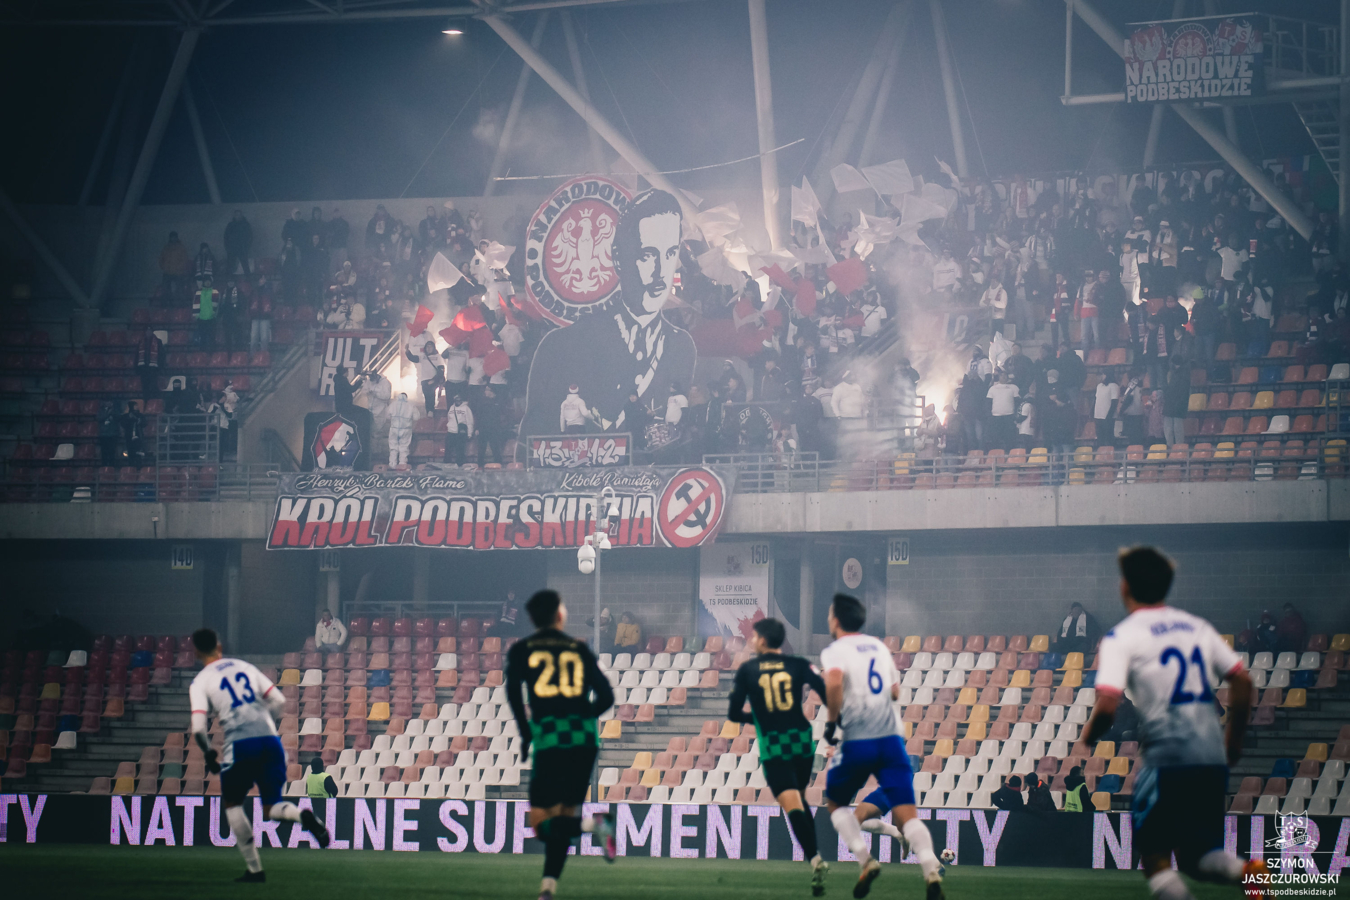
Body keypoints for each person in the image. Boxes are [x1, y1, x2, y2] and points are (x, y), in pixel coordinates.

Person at [1079, 547, 1265, 900]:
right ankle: (1246, 871)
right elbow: (1242, 681)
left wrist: (1088, 736)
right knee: (1198, 858)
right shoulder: (1197, 628)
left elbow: (1106, 705)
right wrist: (1234, 741)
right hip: (1211, 756)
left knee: (1155, 858)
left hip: (1168, 756)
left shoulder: (1122, 636)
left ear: (1124, 587)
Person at [520, 189, 696, 439]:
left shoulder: (681, 346)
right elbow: (533, 444)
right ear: (618, 257)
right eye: (647, 255)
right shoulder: (562, 346)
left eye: (669, 253)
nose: (660, 272)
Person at [820, 593, 944, 900]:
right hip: (891, 740)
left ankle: (866, 861)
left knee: (835, 804)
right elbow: (895, 692)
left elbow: (833, 684)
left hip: (859, 739)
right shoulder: (878, 647)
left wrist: (832, 723)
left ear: (836, 620)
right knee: (908, 816)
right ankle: (930, 871)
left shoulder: (835, 650)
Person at [188, 628, 329, 882]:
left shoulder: (201, 681)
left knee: (233, 804)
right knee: (272, 807)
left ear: (196, 652)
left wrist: (209, 754)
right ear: (219, 646)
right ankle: (303, 816)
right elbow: (279, 701)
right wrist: (265, 724)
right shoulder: (245, 667)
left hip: (241, 745)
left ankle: (255, 869)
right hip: (272, 743)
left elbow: (198, 728)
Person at [504, 591, 618, 900]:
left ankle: (593, 824)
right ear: (559, 615)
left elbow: (513, 693)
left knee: (542, 823)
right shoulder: (579, 649)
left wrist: (526, 733)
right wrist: (582, 717)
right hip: (584, 741)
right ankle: (547, 889)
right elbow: (607, 697)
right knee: (565, 815)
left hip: (550, 740)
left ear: (532, 618)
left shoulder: (522, 650)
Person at [726, 618, 830, 896]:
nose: (751, 641)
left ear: (762, 640)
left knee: (791, 803)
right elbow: (825, 690)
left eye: (753, 636)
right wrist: (834, 722)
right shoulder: (798, 664)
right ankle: (815, 856)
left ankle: (815, 859)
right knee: (799, 797)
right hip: (802, 741)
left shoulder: (748, 670)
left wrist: (758, 717)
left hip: (774, 744)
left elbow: (734, 713)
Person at [406, 340, 445, 414]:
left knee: (431, 395)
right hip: (424, 380)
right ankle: (428, 412)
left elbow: (441, 371)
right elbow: (414, 358)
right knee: (427, 397)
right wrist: (407, 352)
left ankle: (431, 411)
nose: (429, 348)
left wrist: (433, 380)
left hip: (433, 380)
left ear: (434, 348)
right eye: (427, 347)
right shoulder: (423, 356)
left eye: (430, 347)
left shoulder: (438, 357)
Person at [985, 370, 1020, 450]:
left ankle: (1010, 454)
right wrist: (989, 416)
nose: (1003, 377)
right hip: (996, 417)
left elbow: (1017, 402)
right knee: (995, 438)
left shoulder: (1013, 387)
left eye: (1005, 375)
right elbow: (988, 403)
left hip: (1009, 416)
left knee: (1010, 438)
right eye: (1001, 375)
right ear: (998, 377)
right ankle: (997, 454)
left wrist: (1015, 415)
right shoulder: (992, 388)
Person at [387, 392, 417, 468]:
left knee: (393, 447)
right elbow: (416, 417)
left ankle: (392, 464)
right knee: (404, 447)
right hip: (406, 430)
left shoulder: (393, 404)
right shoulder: (410, 405)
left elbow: (387, 416)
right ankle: (402, 465)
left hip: (394, 429)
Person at [445, 392, 475, 465]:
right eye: (456, 400)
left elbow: (470, 421)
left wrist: (469, 433)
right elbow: (449, 419)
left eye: (459, 400)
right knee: (448, 450)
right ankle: (446, 464)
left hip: (460, 432)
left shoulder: (466, 408)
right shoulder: (451, 408)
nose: (458, 401)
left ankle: (460, 465)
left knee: (460, 451)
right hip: (451, 431)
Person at [135, 327, 163, 400]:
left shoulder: (158, 342)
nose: (148, 332)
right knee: (145, 387)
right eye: (147, 331)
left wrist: (160, 368)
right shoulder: (140, 342)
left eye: (150, 331)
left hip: (153, 369)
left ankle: (155, 402)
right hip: (143, 369)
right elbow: (137, 355)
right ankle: (146, 402)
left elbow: (161, 355)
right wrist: (136, 368)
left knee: (154, 386)